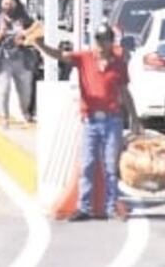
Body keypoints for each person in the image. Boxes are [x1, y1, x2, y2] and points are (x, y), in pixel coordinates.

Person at [32, 21, 142, 221]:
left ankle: (111, 207)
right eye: (98, 40)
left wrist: (135, 118)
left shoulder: (118, 64)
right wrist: (40, 45)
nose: (101, 44)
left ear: (111, 42)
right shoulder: (84, 58)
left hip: (112, 119)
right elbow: (60, 56)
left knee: (110, 166)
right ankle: (84, 206)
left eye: (105, 40)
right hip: (91, 120)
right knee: (87, 164)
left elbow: (125, 92)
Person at [0, 0, 36, 127]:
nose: (8, 6)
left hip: (22, 59)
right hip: (4, 60)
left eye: (10, 3)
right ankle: (4, 117)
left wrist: (25, 39)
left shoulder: (25, 19)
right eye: (5, 4)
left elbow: (36, 33)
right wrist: (1, 33)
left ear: (16, 4)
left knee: (25, 90)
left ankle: (25, 112)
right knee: (4, 89)